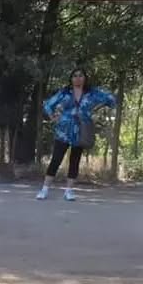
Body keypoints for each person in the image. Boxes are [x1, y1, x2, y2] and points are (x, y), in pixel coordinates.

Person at [37, 67, 115, 201]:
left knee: (75, 160)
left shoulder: (92, 93)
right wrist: (52, 117)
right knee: (56, 159)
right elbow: (48, 105)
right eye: (75, 76)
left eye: (80, 75)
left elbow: (111, 99)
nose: (78, 78)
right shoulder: (65, 92)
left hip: (81, 130)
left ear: (85, 78)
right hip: (64, 130)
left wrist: (95, 109)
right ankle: (44, 189)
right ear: (71, 78)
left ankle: (69, 191)